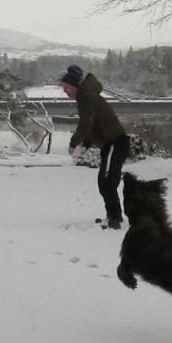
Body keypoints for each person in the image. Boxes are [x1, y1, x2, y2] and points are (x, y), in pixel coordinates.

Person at [62, 64, 130, 229]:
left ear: (74, 85)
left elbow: (87, 123)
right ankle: (113, 216)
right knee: (105, 181)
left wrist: (74, 142)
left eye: (66, 87)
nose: (65, 91)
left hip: (116, 142)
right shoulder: (86, 96)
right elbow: (93, 126)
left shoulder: (86, 97)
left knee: (106, 182)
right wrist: (84, 145)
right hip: (111, 144)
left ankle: (115, 219)